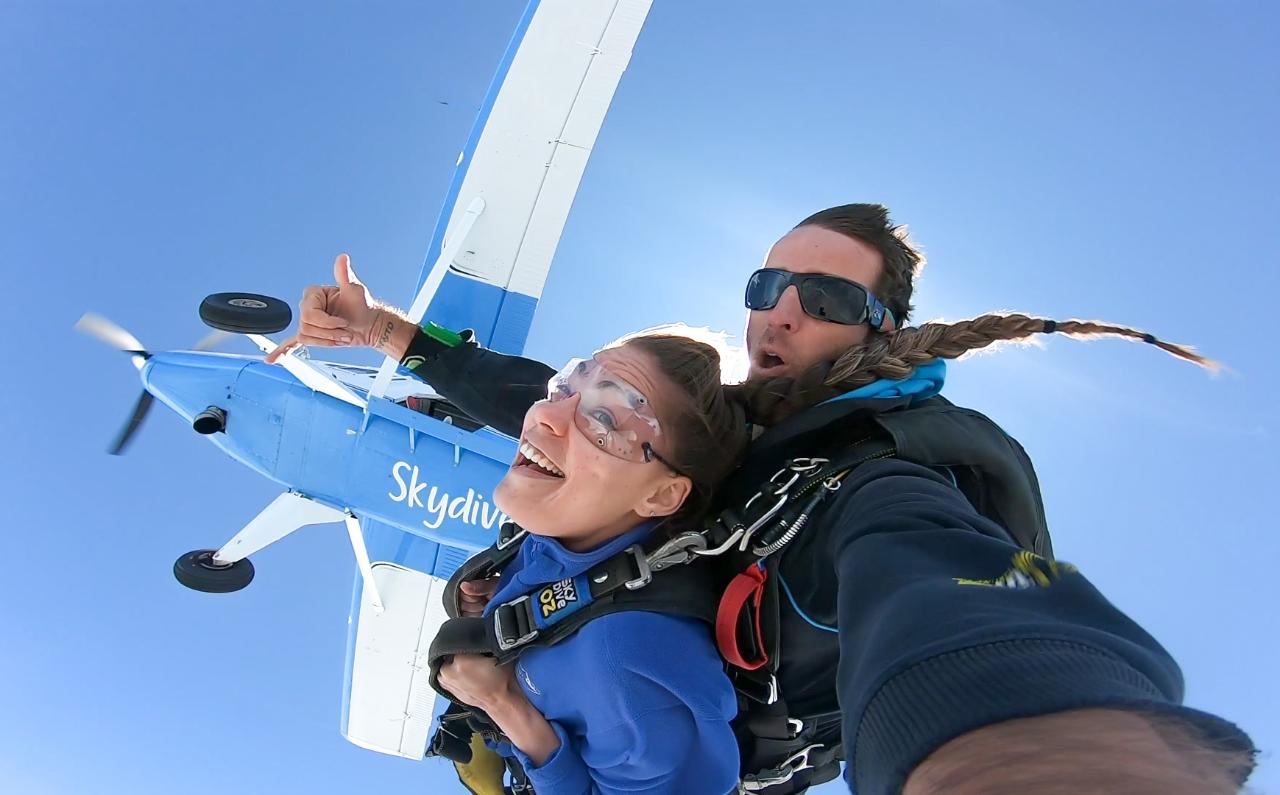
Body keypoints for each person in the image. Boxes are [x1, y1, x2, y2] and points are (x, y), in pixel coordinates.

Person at [272, 204, 1255, 794]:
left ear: (879, 330)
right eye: (767, 281)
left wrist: (1037, 745)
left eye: (824, 300)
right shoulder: (730, 426)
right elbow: (549, 399)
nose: (781, 309)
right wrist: (392, 336)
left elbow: (940, 591)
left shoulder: (873, 475)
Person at [402, 329, 749, 792]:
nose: (544, 413)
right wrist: (516, 596)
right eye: (565, 388)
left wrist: (507, 707)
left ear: (662, 493)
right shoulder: (578, 528)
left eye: (603, 419)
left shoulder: (627, 658)